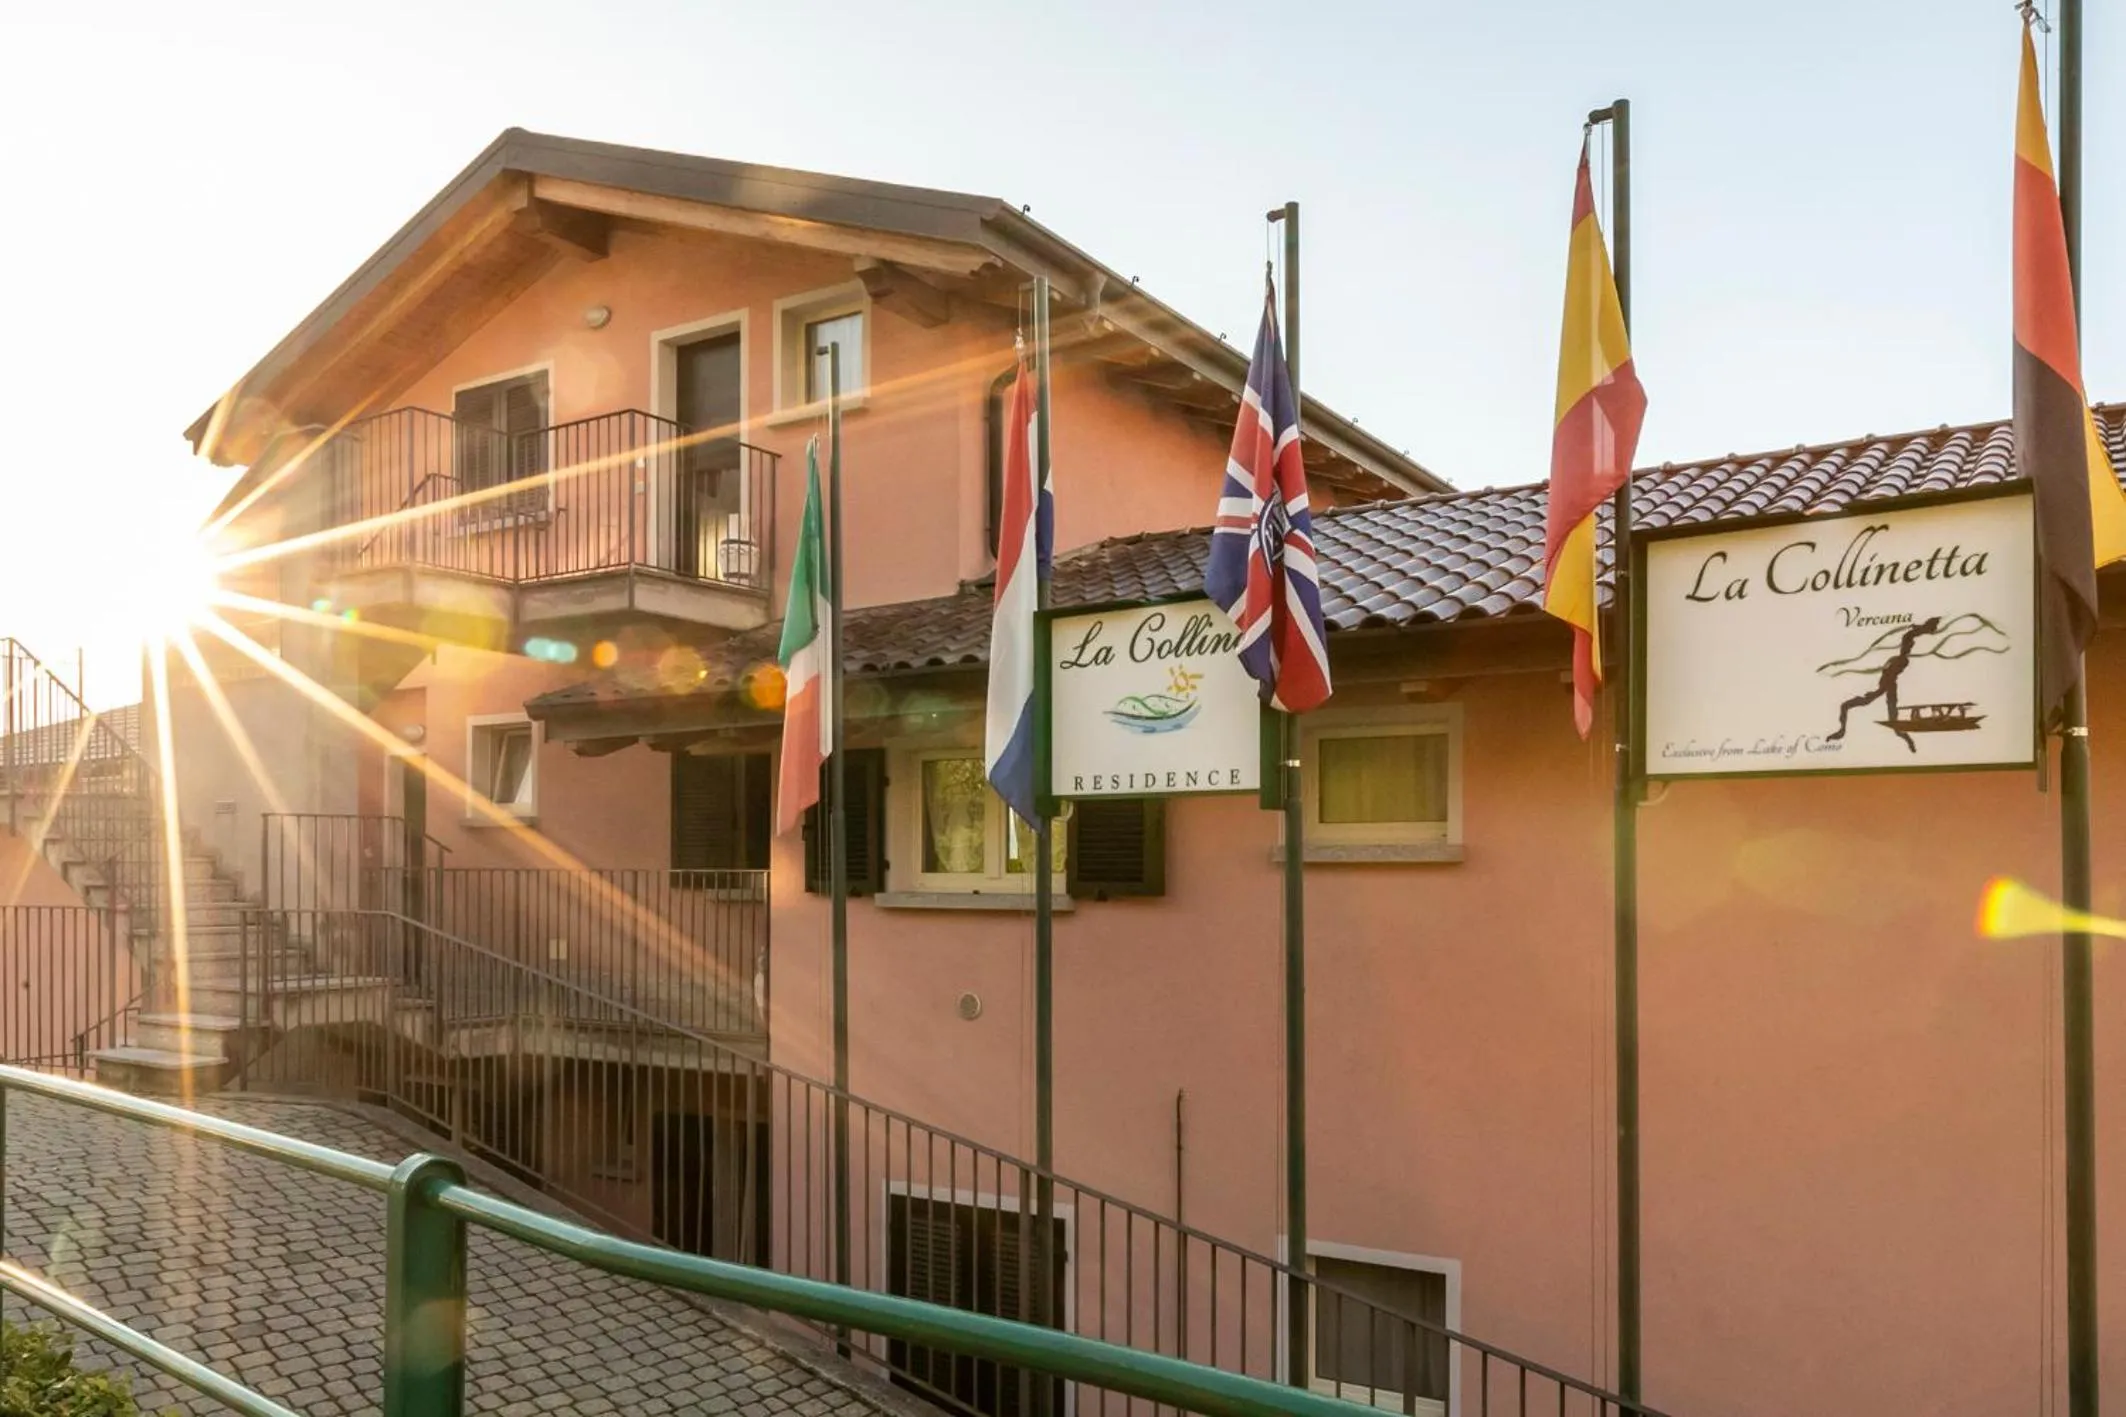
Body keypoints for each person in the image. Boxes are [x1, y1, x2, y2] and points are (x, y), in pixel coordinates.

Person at [1826, 617, 1942, 752]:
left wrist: (1920, 629)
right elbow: (1907, 638)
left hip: (1887, 687)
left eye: (1910, 646)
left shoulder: (1901, 660)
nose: (1910, 646)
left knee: (1849, 706)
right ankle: (1842, 731)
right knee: (1894, 725)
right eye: (1910, 645)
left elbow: (1907, 639)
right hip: (1887, 687)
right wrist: (1920, 629)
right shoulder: (1899, 659)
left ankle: (1842, 731)